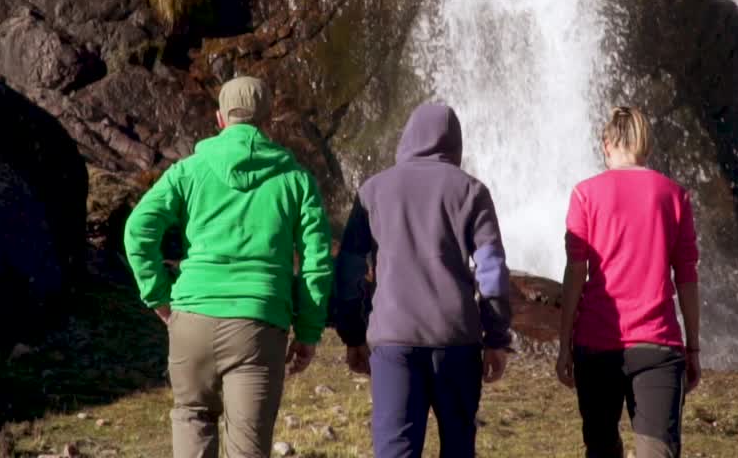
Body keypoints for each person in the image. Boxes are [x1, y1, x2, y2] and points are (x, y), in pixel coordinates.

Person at [124, 76, 332, 458]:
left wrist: (158, 296)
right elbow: (317, 263)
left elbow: (138, 229)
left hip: (191, 318)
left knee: (192, 418)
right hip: (258, 324)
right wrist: (309, 330)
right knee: (249, 449)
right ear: (268, 121)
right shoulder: (297, 180)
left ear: (220, 119)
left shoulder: (189, 171)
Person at [332, 103, 513, 458]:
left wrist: (352, 333)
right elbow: (492, 271)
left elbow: (351, 267)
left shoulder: (373, 191)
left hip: (393, 340)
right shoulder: (472, 191)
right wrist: (496, 338)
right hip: (457, 342)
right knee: (459, 448)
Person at [556, 106, 701, 458]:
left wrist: (564, 345)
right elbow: (686, 277)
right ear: (644, 145)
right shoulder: (673, 195)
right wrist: (693, 346)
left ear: (606, 144)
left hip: (596, 343)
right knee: (658, 452)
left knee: (601, 448)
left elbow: (575, 273)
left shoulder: (584, 194)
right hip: (658, 343)